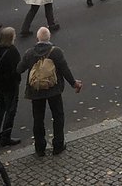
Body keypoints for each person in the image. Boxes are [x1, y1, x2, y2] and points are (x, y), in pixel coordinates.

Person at [17, 25, 82, 156]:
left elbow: (19, 69)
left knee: (38, 119)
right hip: (54, 89)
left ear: (37, 38)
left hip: (36, 91)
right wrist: (74, 83)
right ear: (49, 37)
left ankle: (40, 148)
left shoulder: (30, 53)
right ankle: (58, 145)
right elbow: (65, 70)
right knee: (58, 116)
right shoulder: (56, 52)